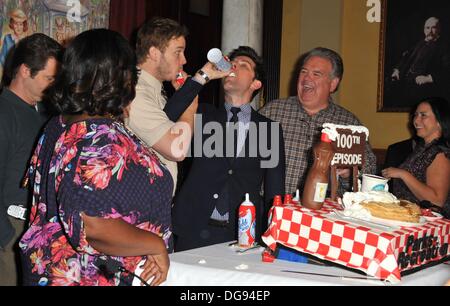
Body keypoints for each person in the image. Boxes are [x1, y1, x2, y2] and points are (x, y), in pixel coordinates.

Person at [19, 29, 172, 286]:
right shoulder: (97, 135)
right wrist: (155, 245)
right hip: (91, 277)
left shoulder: (58, 125)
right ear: (117, 76)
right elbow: (94, 228)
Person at [172, 46, 285, 251]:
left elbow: (274, 191)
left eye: (244, 65)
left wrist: (273, 239)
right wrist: (202, 77)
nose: (234, 66)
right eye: (232, 63)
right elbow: (168, 117)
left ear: (255, 83)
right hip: (192, 228)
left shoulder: (269, 130)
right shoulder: (202, 116)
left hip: (241, 233)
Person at [126, 17, 229, 194]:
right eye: (178, 52)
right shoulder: (135, 92)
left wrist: (199, 80)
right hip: (138, 206)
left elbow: (182, 136)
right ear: (154, 53)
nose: (184, 60)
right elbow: (177, 149)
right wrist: (189, 108)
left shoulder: (155, 90)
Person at [259, 47, 377, 196]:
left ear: (333, 84)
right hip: (271, 207)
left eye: (316, 74)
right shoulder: (272, 112)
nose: (307, 79)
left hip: (323, 214)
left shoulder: (349, 124)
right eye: (303, 72)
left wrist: (351, 173)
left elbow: (369, 170)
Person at [0, 33, 61, 286]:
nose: (53, 85)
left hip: (33, 229)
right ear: (25, 70)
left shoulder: (42, 111)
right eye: (49, 78)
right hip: (10, 230)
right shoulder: (4, 114)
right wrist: (5, 239)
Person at [382, 97, 450, 218]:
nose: (416, 121)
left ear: (440, 121)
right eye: (416, 115)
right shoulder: (423, 148)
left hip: (429, 226)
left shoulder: (440, 153)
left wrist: (403, 174)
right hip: (413, 218)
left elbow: (437, 200)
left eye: (423, 115)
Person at [388, 17, 450, 107]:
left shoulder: (444, 47)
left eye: (433, 27)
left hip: (424, 90)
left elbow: (447, 70)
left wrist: (428, 78)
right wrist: (397, 70)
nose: (430, 31)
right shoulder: (420, 43)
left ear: (439, 29)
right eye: (427, 28)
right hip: (405, 84)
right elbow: (406, 57)